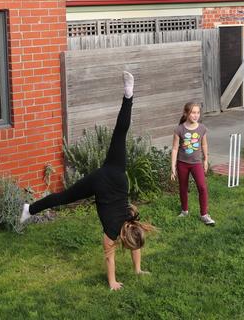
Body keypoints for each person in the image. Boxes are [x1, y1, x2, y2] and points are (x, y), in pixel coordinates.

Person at [19, 71, 154, 290]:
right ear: (125, 236)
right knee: (63, 198)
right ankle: (29, 209)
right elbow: (110, 257)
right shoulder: (112, 232)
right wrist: (112, 282)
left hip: (117, 176)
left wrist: (138, 270)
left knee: (120, 135)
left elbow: (135, 243)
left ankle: (128, 96)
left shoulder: (133, 221)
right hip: (101, 182)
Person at [170, 102, 215, 225]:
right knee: (183, 188)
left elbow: (204, 144)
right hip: (182, 163)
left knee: (202, 187)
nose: (196, 115)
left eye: (198, 112)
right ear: (186, 113)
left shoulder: (202, 128)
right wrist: (172, 166)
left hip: (196, 163)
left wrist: (205, 159)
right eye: (193, 112)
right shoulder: (179, 129)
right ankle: (184, 211)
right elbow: (174, 148)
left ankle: (204, 214)